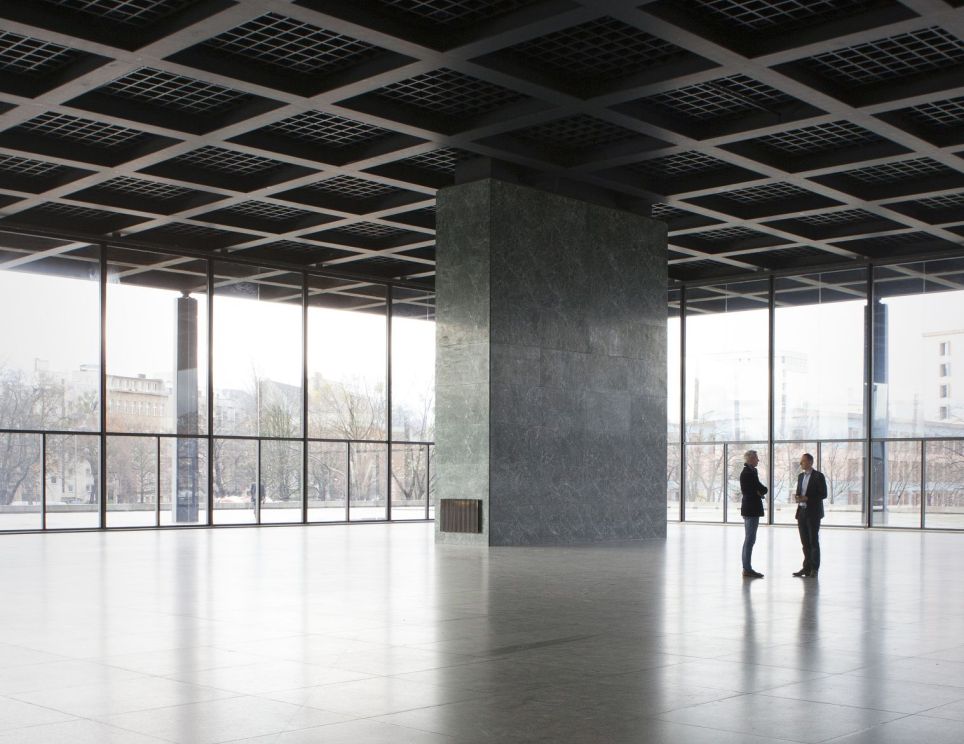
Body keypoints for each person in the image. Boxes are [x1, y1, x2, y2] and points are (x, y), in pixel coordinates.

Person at [793, 453, 827, 578]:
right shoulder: (800, 476)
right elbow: (799, 491)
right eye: (801, 461)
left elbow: (823, 494)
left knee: (813, 541)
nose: (801, 463)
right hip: (801, 512)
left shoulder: (818, 476)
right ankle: (806, 568)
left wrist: (808, 498)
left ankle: (814, 568)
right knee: (805, 543)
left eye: (803, 461)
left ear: (810, 462)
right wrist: (798, 497)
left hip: (813, 513)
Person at [740, 450, 767, 578]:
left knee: (750, 539)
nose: (758, 460)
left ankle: (747, 568)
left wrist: (760, 491)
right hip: (750, 509)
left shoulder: (752, 472)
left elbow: (761, 489)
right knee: (749, 539)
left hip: (751, 509)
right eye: (756, 458)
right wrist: (760, 491)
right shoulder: (747, 473)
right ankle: (747, 568)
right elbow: (755, 489)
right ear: (750, 459)